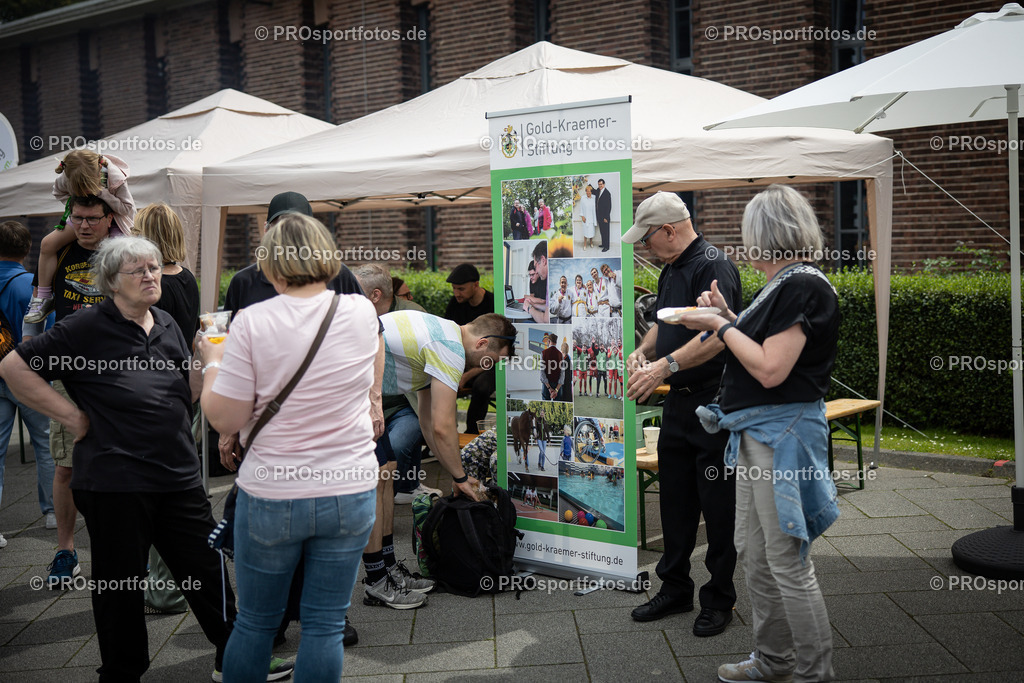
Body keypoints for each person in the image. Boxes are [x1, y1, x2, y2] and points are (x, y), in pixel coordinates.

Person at [1, 236, 292, 681]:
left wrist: (205, 360)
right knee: (120, 584)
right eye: (137, 270)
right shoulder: (85, 327)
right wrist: (71, 416)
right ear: (111, 282)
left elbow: (186, 394)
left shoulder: (167, 323)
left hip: (177, 473)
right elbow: (13, 367)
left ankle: (235, 657)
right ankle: (122, 672)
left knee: (207, 568)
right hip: (115, 480)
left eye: (154, 267)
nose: (150, 275)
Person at [197, 214, 380, 681]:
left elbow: (225, 419)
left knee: (256, 624)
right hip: (350, 487)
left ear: (270, 264)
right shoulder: (360, 311)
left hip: (273, 491)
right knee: (324, 627)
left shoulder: (252, 321)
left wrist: (213, 361)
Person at [680, 185, 840, 682]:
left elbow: (771, 370)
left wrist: (720, 325)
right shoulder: (785, 284)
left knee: (786, 561)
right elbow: (759, 346)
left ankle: (812, 674)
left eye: (748, 231)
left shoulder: (801, 285)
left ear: (764, 234)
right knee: (755, 555)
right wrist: (730, 317)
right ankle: (773, 662)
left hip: (780, 438)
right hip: (759, 434)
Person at [623, 191, 742, 637]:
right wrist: (643, 350)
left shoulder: (714, 266)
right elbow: (663, 322)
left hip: (713, 402)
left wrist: (665, 366)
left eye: (647, 238)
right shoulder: (671, 267)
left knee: (718, 507)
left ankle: (719, 599)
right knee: (674, 501)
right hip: (677, 402)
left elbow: (719, 335)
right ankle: (674, 588)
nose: (644, 247)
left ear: (669, 230)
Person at [364, 309, 516, 608]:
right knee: (379, 479)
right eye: (492, 360)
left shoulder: (441, 334)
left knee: (388, 472)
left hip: (358, 389)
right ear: (482, 343)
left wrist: (455, 474)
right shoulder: (449, 348)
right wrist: (460, 477)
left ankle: (389, 568)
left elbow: (427, 422)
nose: (486, 367)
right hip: (345, 388)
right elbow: (443, 426)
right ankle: (376, 580)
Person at [21, 194, 114, 587]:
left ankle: (123, 550)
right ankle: (65, 552)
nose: (85, 226)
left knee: (119, 464)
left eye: (92, 218)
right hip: (68, 372)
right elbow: (38, 300)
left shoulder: (122, 253)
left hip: (116, 373)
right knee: (65, 464)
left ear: (110, 218)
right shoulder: (60, 251)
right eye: (78, 218)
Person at [134, 202, 197, 615]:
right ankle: (171, 584)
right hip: (183, 392)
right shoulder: (186, 278)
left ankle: (163, 590)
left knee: (156, 496)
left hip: (155, 399)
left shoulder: (151, 288)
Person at [353, 263, 438, 503]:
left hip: (406, 405)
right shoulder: (352, 316)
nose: (349, 296)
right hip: (365, 404)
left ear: (375, 295)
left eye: (355, 291)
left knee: (397, 446)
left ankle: (404, 487)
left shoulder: (414, 316)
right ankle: (385, 495)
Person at [24, 151, 135, 324]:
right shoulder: (67, 175)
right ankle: (44, 298)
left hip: (115, 220)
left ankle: (124, 301)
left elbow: (127, 209)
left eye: (86, 187)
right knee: (47, 243)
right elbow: (58, 193)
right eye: (80, 189)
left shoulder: (114, 178)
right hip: (86, 216)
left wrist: (103, 195)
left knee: (121, 255)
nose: (85, 192)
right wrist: (77, 206)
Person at [0, 221, 56, 550]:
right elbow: (48, 334)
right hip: (30, 377)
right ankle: (52, 512)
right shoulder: (34, 287)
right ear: (27, 249)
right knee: (45, 445)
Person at [223, 191, 365, 317]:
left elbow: (371, 329)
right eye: (281, 228)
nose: (289, 236)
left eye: (297, 228)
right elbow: (227, 332)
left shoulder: (339, 274)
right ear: (266, 230)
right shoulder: (243, 281)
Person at [442, 263, 496, 434]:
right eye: (454, 288)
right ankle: (443, 433)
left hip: (491, 364)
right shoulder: (455, 303)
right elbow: (447, 337)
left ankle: (471, 433)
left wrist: (466, 376)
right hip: (464, 361)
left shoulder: (493, 304)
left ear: (476, 285)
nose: (456, 293)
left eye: (461, 289)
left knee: (481, 386)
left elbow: (496, 352)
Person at [522, 242, 548, 323]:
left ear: (543, 260)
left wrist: (529, 308)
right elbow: (547, 306)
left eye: (536, 265)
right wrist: (533, 304)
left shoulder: (546, 280)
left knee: (525, 323)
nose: (536, 271)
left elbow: (545, 321)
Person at [539, 334, 563, 401]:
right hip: (557, 385)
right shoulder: (560, 355)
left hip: (546, 385)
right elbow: (562, 374)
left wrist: (549, 388)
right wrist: (556, 390)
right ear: (556, 342)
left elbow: (542, 372)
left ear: (548, 341)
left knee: (545, 404)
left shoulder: (543, 353)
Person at [595, 178, 612, 252]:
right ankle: (603, 244)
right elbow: (594, 191)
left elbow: (609, 206)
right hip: (599, 216)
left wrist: (606, 217)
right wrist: (588, 185)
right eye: (599, 184)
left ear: (604, 184)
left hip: (605, 217)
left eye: (601, 184)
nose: (600, 186)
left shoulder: (607, 193)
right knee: (602, 231)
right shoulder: (598, 190)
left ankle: (607, 247)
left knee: (606, 232)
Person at [578, 185, 597, 250]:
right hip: (585, 218)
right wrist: (582, 216)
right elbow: (581, 208)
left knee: (591, 231)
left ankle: (591, 242)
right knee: (586, 232)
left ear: (591, 192)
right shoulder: (583, 198)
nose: (588, 192)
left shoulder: (594, 198)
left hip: (592, 218)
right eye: (587, 191)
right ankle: (585, 244)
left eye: (589, 191)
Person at [534, 407, 550, 472]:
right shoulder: (538, 421)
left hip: (544, 440)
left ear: (544, 414)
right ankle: (539, 463)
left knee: (543, 453)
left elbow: (547, 432)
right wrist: (535, 438)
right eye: (541, 413)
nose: (542, 414)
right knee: (542, 451)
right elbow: (536, 430)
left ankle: (542, 466)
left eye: (543, 413)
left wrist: (549, 440)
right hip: (539, 439)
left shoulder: (545, 422)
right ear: (540, 413)